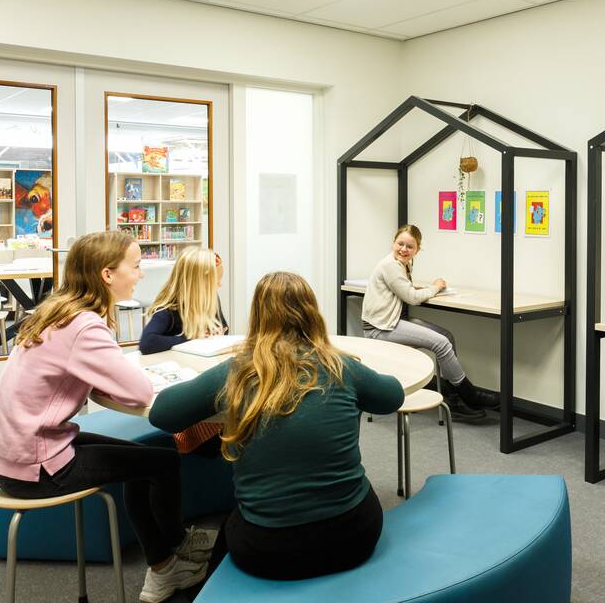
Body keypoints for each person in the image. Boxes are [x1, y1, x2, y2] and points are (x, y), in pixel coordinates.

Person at [0, 231, 216, 603]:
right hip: (37, 466)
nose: (140, 275)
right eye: (135, 266)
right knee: (163, 461)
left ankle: (164, 560)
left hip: (14, 454)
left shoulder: (57, 312)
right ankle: (172, 558)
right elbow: (138, 393)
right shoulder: (85, 326)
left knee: (147, 458)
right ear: (108, 274)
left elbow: (85, 379)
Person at [149, 271, 404, 580]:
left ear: (257, 316)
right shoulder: (341, 366)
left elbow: (162, 414)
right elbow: (392, 397)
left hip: (268, 551)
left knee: (230, 528)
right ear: (312, 313)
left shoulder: (237, 372)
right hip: (354, 535)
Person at [361, 224, 497, 422]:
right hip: (379, 328)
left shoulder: (402, 264)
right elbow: (412, 298)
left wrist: (415, 287)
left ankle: (454, 399)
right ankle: (469, 394)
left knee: (447, 337)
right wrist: (435, 287)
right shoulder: (390, 265)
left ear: (418, 249)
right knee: (441, 343)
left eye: (410, 246)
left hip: (392, 321)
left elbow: (404, 289)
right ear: (393, 242)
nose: (403, 250)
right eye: (400, 244)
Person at [140, 247, 228, 355]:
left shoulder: (211, 299)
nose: (220, 285)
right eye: (216, 281)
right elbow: (147, 343)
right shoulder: (169, 310)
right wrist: (192, 339)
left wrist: (218, 332)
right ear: (198, 284)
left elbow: (223, 328)